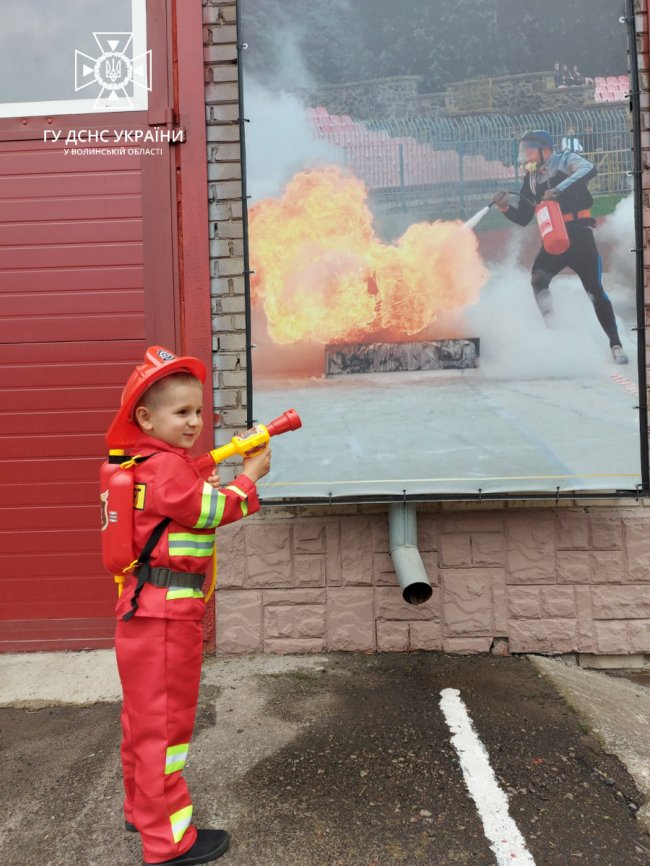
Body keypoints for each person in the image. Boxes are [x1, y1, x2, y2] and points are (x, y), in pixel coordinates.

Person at [106, 345, 271, 866]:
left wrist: (203, 482)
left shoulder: (147, 465)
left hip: (142, 613)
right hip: (166, 618)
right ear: (145, 417)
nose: (195, 422)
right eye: (182, 412)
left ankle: (142, 809)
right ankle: (168, 842)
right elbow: (217, 510)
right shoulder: (168, 469)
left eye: (199, 412)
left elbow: (179, 511)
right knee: (167, 731)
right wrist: (251, 475)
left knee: (142, 723)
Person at [492, 130, 628, 364]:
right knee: (538, 279)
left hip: (580, 237)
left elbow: (589, 169)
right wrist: (504, 207)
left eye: (529, 149)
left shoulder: (566, 160)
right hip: (555, 239)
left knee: (594, 290)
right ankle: (553, 333)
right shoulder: (531, 180)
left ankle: (616, 344)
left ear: (545, 149)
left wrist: (559, 189)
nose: (525, 154)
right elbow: (524, 216)